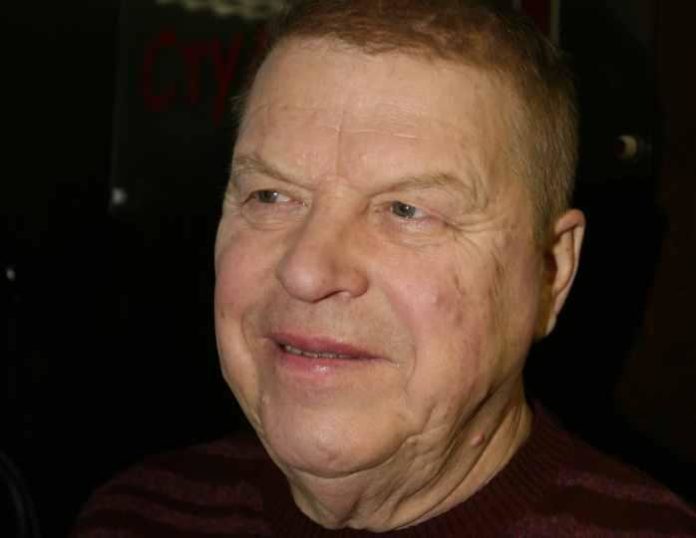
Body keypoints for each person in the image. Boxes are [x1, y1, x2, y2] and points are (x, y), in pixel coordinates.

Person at [72, 0, 696, 536]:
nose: (307, 272)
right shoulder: (134, 516)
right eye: (271, 196)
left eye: (406, 210)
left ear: (552, 274)